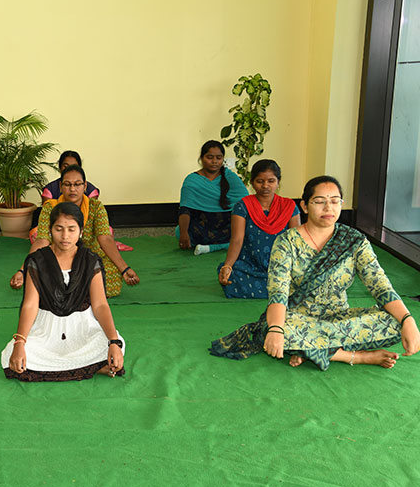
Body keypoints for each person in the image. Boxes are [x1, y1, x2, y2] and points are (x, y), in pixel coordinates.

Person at [210, 176, 420, 370]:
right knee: (274, 329)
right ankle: (355, 356)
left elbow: (380, 285)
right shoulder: (287, 242)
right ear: (305, 206)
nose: (328, 207)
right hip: (296, 317)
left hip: (339, 319)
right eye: (319, 201)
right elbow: (278, 293)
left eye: (335, 201)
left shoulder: (354, 241)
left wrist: (407, 319)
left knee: (395, 322)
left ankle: (308, 349)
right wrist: (276, 329)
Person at [2, 202, 126, 381]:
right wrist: (20, 343)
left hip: (83, 329)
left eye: (71, 229)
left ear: (81, 231)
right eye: (59, 229)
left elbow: (100, 305)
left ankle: (79, 366)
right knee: (10, 355)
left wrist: (113, 342)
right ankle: (91, 367)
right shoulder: (37, 260)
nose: (65, 236)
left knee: (115, 344)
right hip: (46, 331)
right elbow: (30, 305)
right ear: (50, 230)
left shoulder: (90, 261)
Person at [10, 165, 139, 297]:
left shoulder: (96, 207)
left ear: (85, 186)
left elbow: (105, 238)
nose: (72, 189)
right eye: (67, 184)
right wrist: (23, 270)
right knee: (41, 271)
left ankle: (70, 290)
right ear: (60, 186)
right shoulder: (50, 208)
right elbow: (42, 240)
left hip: (89, 258)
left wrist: (124, 268)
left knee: (111, 274)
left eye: (77, 184)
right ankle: (81, 290)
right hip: (59, 257)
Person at [218, 159, 300, 298]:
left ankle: (275, 286)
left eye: (271, 181)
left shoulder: (289, 206)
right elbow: (237, 239)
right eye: (260, 181)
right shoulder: (242, 206)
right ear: (252, 182)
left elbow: (296, 241)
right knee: (230, 273)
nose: (265, 186)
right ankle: (280, 289)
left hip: (281, 265)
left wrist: (298, 268)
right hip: (250, 264)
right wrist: (228, 266)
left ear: (278, 182)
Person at [178, 140, 249, 255]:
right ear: (201, 158)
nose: (214, 161)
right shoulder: (192, 180)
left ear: (223, 159)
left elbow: (246, 203)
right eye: (210, 157)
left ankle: (210, 248)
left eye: (219, 158)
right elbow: (185, 210)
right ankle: (222, 245)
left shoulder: (230, 177)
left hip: (228, 226)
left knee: (246, 229)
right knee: (179, 231)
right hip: (202, 228)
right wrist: (183, 233)